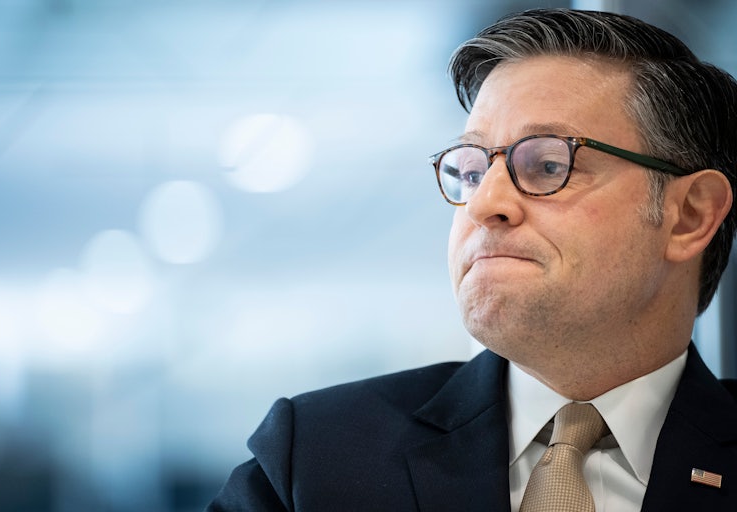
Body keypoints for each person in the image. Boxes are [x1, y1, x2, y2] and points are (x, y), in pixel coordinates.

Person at [206, 8, 737, 511]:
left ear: (689, 216)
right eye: (471, 171)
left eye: (549, 165)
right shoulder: (316, 459)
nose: (484, 204)